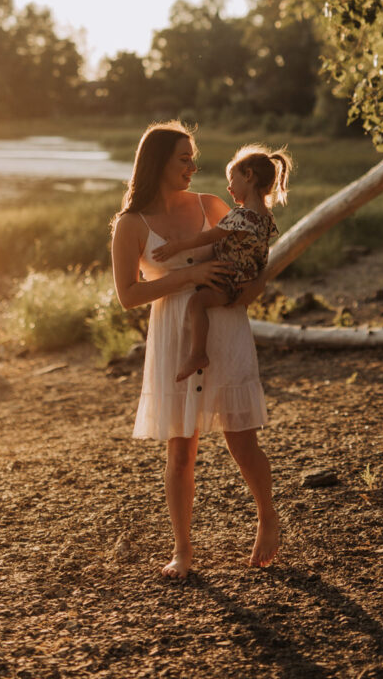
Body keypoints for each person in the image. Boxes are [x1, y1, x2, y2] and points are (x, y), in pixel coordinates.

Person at [111, 121, 279, 579]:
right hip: (174, 334)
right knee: (181, 451)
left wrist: (252, 289)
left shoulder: (211, 205)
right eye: (184, 158)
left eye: (193, 158)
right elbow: (128, 294)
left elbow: (253, 257)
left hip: (223, 325)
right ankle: (183, 550)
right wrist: (188, 277)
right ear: (159, 161)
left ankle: (267, 518)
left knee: (241, 440)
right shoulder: (130, 224)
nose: (193, 166)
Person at [152, 145, 292, 383]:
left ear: (248, 176)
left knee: (197, 303)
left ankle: (197, 354)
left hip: (227, 278)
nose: (229, 188)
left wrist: (176, 246)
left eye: (232, 180)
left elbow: (205, 238)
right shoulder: (267, 218)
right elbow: (261, 254)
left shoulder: (240, 216)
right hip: (244, 282)